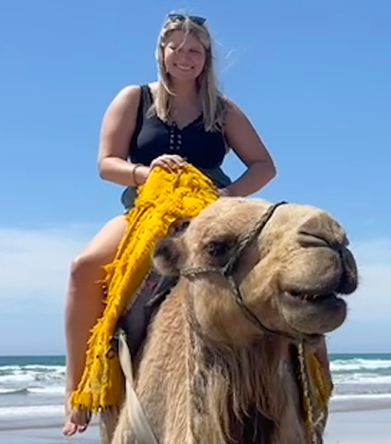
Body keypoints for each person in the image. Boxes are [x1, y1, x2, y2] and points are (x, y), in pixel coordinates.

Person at [63, 12, 277, 436]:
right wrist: (147, 173)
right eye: (176, 47)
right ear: (161, 51)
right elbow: (106, 164)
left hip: (209, 214)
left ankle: (302, 387)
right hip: (148, 208)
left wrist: (224, 197)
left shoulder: (223, 110)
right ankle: (80, 390)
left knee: (279, 270)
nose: (185, 56)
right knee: (84, 267)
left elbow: (264, 165)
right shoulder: (136, 98)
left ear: (207, 58)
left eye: (195, 50)